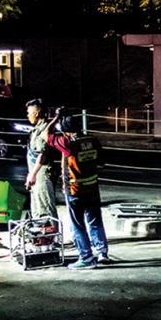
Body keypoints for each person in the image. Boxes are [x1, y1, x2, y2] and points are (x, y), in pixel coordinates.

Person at [41, 109, 109, 269]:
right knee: (95, 221)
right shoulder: (93, 140)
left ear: (64, 132)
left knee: (77, 225)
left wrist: (55, 117)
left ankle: (86, 258)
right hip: (92, 188)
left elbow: (45, 134)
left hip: (74, 190)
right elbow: (101, 162)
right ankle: (102, 253)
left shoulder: (67, 143)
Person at [24, 99, 58, 220]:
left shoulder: (44, 128)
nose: (28, 116)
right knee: (36, 208)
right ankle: (40, 236)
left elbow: (41, 154)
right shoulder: (37, 128)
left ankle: (52, 237)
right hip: (35, 172)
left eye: (29, 113)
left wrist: (33, 174)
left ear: (36, 113)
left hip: (41, 173)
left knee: (46, 207)